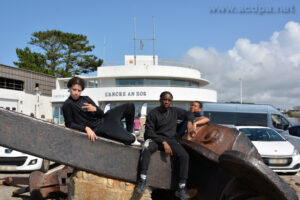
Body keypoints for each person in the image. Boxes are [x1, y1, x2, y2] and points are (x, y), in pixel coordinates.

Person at [135, 91, 194, 200]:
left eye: (169, 100)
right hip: (156, 139)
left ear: (171, 101)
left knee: (184, 155)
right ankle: (142, 180)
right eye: (164, 99)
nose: (166, 102)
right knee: (146, 149)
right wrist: (163, 142)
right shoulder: (153, 113)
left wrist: (190, 122)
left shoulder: (175, 111)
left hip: (170, 140)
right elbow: (148, 133)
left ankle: (181, 187)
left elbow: (189, 114)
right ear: (160, 100)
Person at [62, 77, 140, 146]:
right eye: (74, 90)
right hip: (100, 128)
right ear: (69, 88)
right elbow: (69, 124)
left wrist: (95, 109)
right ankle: (131, 137)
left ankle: (130, 132)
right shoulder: (67, 104)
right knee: (131, 140)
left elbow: (101, 114)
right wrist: (86, 128)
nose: (76, 93)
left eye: (79, 90)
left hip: (106, 118)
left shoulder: (86, 98)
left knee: (130, 106)